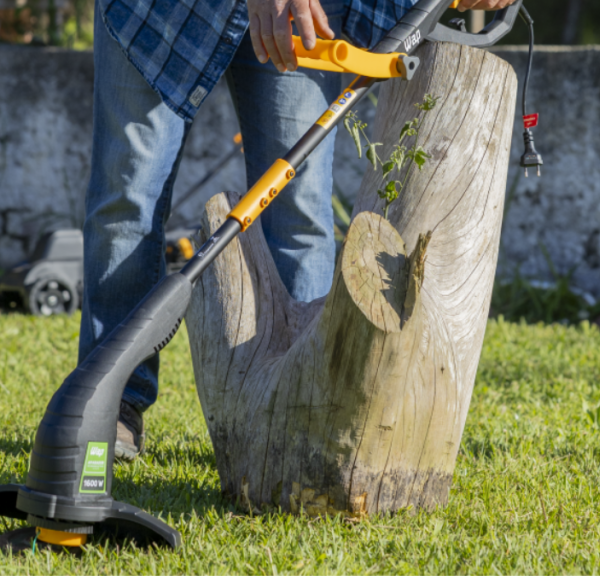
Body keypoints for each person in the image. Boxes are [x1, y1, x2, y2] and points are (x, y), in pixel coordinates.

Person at [79, 0, 515, 461]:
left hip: (296, 14)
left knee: (299, 215)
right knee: (125, 202)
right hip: (162, 14)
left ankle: (299, 408)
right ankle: (113, 402)